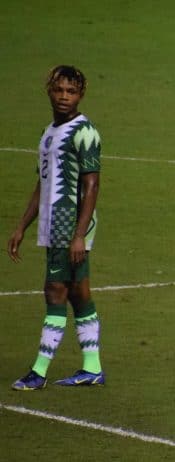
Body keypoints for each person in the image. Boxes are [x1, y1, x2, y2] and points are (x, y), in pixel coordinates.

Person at [8, 65, 105, 390]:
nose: (65, 97)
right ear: (49, 90)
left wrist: (79, 234)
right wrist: (22, 225)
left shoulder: (85, 132)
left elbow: (92, 186)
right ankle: (92, 368)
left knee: (54, 291)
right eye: (59, 90)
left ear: (80, 95)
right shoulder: (48, 132)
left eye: (71, 91)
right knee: (78, 294)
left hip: (70, 225)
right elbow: (43, 182)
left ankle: (39, 371)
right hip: (52, 224)